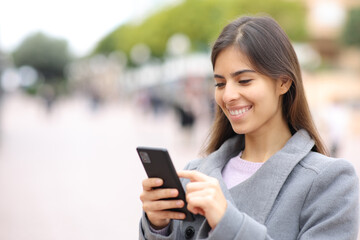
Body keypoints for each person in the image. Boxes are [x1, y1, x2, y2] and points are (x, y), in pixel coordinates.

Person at [139, 15, 359, 240]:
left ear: (283, 82)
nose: (228, 95)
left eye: (244, 81)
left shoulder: (329, 181)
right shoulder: (195, 176)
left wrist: (228, 222)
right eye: (220, 83)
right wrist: (158, 226)